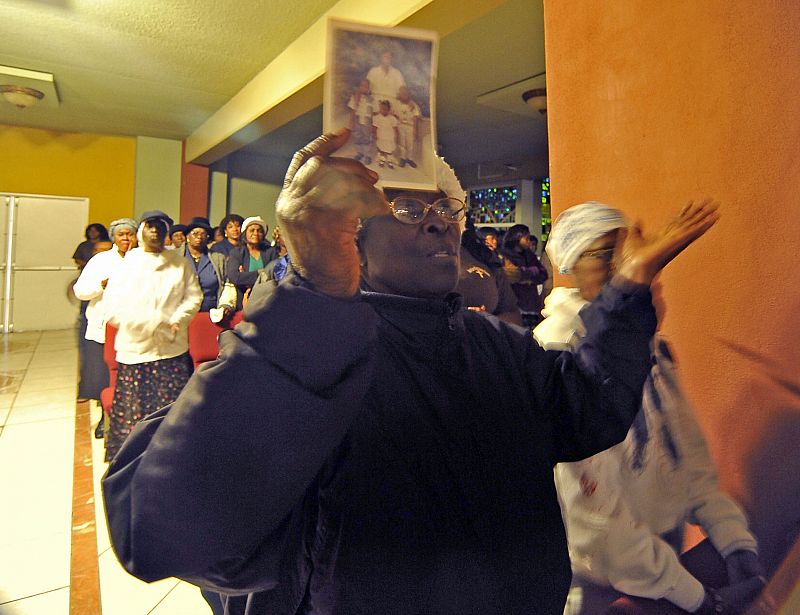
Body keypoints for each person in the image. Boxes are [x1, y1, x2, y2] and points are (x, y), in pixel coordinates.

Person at [102, 130, 719, 615]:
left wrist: (626, 295)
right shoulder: (308, 349)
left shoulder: (487, 341)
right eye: (403, 205)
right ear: (349, 234)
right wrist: (314, 295)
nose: (439, 222)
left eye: (447, 206)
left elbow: (584, 409)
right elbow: (159, 531)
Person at [533, 202, 764, 615]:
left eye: (635, 252)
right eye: (606, 255)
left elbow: (686, 455)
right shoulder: (557, 353)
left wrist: (733, 540)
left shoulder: (647, 347)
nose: (627, 266)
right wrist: (697, 598)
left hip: (659, 565)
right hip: (599, 583)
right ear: (571, 265)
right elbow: (597, 526)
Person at [101, 210, 201, 461]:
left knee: (172, 411)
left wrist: (177, 319)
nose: (155, 232)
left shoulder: (180, 263)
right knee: (137, 413)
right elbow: (112, 308)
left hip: (172, 350)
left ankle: (171, 457)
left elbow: (193, 296)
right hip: (137, 352)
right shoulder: (128, 265)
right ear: (141, 231)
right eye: (150, 226)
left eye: (160, 227)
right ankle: (134, 461)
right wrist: (152, 324)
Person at [73, 218, 138, 437]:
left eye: (130, 234)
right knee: (103, 376)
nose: (126, 239)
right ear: (114, 238)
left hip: (132, 327)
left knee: (127, 375)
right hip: (104, 328)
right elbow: (80, 291)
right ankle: (106, 417)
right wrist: (100, 285)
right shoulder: (100, 260)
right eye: (122, 235)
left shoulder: (141, 260)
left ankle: (129, 417)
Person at [456, 211, 521, 325]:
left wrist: (488, 322)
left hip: (482, 339)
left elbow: (513, 314)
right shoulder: (417, 260)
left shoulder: (484, 258)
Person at [501, 223, 549, 327]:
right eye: (526, 238)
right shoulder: (504, 254)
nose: (528, 241)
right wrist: (529, 274)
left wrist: (523, 273)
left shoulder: (529, 254)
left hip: (531, 304)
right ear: (517, 237)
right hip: (514, 304)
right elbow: (508, 274)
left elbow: (543, 273)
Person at [226, 216, 278, 309]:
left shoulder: (271, 251)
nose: (256, 233)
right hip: (243, 302)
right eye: (252, 230)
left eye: (259, 231)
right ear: (245, 233)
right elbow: (235, 277)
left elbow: (276, 276)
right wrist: (262, 273)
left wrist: (246, 276)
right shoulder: (236, 253)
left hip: (268, 301)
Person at [179, 217, 227, 312]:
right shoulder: (176, 256)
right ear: (187, 236)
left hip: (210, 311)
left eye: (203, 234)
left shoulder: (218, 258)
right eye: (195, 233)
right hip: (180, 312)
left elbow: (226, 285)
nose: (199, 237)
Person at [348, 79, 374, 164]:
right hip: (358, 120)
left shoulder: (371, 99)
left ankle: (367, 155)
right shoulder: (355, 97)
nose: (364, 88)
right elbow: (352, 110)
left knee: (367, 138)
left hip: (367, 122)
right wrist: (351, 121)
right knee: (358, 137)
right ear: (359, 87)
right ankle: (360, 153)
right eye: (362, 86)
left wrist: (372, 124)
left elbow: (374, 112)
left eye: (367, 86)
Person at [395, 86, 421, 168]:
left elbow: (416, 118)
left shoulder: (413, 105)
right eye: (402, 94)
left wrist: (415, 130)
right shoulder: (397, 104)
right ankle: (402, 158)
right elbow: (395, 115)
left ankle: (409, 158)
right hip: (401, 125)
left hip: (410, 126)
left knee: (410, 143)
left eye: (405, 94)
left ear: (409, 95)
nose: (404, 96)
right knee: (402, 143)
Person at [373, 99, 399, 168]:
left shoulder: (392, 118)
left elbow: (395, 128)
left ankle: (390, 161)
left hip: (389, 137)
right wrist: (374, 134)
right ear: (380, 109)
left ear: (389, 109)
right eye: (382, 109)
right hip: (381, 136)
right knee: (381, 149)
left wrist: (397, 135)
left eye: (385, 109)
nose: (384, 111)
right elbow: (374, 127)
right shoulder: (377, 118)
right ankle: (382, 160)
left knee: (389, 150)